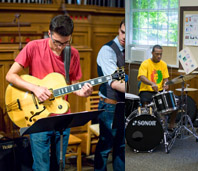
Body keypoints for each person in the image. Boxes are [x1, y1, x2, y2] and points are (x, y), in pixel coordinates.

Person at [5, 15, 93, 170]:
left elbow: (74, 84)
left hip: (62, 118)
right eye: (57, 42)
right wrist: (35, 88)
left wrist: (83, 92)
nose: (60, 47)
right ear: (49, 33)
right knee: (41, 167)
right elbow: (10, 75)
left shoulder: (73, 54)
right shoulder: (33, 47)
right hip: (39, 118)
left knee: (59, 166)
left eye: (66, 42)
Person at [95, 19, 125, 171]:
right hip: (110, 106)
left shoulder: (130, 51)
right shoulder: (108, 50)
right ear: (119, 30)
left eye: (128, 33)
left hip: (124, 106)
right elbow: (114, 83)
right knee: (105, 147)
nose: (124, 36)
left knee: (121, 146)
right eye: (122, 32)